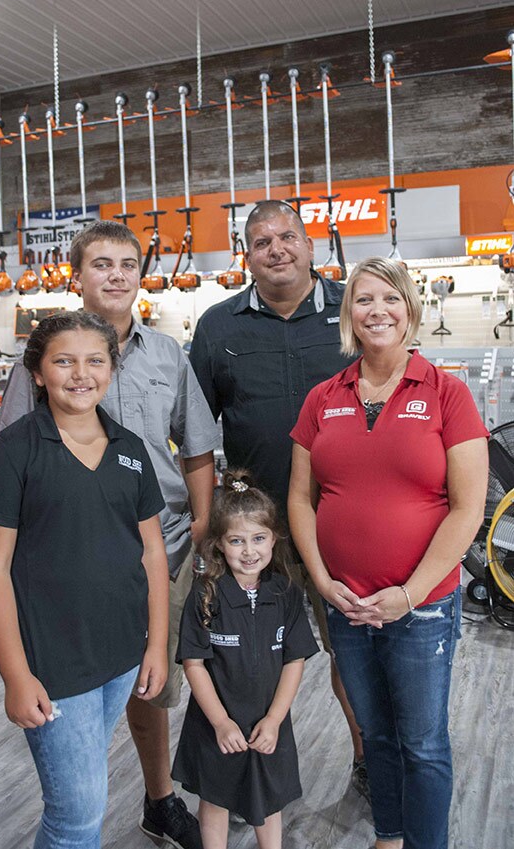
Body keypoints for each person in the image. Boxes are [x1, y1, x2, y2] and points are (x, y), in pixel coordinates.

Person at [0, 221, 219, 849]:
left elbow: (197, 445)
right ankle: (79, 802)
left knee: (151, 681)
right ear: (77, 276)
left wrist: (203, 527)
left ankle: (158, 799)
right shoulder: (41, 357)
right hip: (69, 556)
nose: (116, 275)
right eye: (101, 263)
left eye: (127, 264)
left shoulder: (168, 354)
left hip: (159, 543)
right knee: (74, 694)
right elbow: (12, 461)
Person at [288, 257, 489, 849]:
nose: (377, 311)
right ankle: (390, 834)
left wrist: (410, 593)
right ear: (349, 314)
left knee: (422, 744)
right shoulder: (324, 398)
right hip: (348, 605)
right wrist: (323, 582)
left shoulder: (447, 393)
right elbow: (300, 499)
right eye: (363, 299)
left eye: (390, 298)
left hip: (421, 608)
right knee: (374, 735)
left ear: (410, 310)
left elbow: (467, 510)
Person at [0, 312, 170, 848]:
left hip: (122, 654)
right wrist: (15, 676)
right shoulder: (13, 451)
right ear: (37, 372)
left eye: (95, 360)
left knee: (85, 789)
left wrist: (156, 645)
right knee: (77, 813)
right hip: (53, 660)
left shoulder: (130, 448)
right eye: (64, 361)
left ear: (111, 368)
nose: (81, 374)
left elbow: (151, 551)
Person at [188, 199, 368, 796]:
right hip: (254, 532)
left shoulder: (352, 309)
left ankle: (369, 759)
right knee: (246, 658)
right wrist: (205, 518)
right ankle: (246, 768)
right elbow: (195, 431)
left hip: (343, 521)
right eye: (262, 242)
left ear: (310, 246)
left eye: (288, 237)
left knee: (353, 650)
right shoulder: (218, 326)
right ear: (247, 255)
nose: (277, 250)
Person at [172, 470, 318, 849]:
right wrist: (221, 722)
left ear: (274, 539)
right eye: (237, 541)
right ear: (220, 545)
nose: (249, 551)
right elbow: (194, 664)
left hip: (268, 723)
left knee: (269, 801)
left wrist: (275, 719)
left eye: (258, 538)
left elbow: (295, 660)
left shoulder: (286, 592)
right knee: (215, 798)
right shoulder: (205, 594)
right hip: (215, 725)